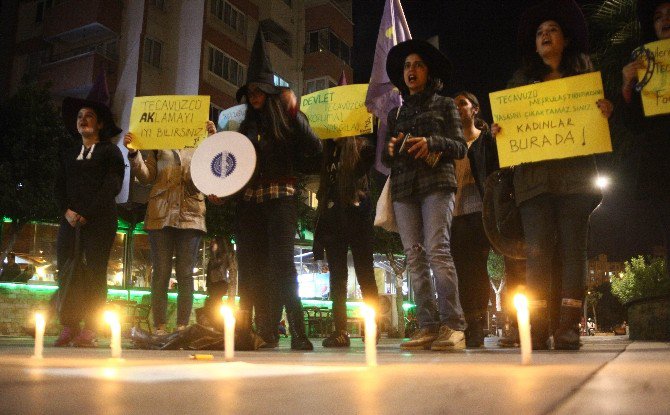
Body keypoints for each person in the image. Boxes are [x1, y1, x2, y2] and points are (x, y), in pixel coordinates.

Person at [492, 0, 613, 350]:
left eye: (552, 30)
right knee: (538, 254)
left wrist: (605, 111)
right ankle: (540, 326)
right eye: (540, 33)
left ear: (565, 39)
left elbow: (598, 129)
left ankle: (568, 327)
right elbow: (508, 134)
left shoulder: (584, 83)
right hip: (533, 183)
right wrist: (502, 129)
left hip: (575, 179)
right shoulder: (519, 87)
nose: (545, 35)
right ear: (534, 44)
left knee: (574, 251)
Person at [234, 29, 322, 350]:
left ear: (270, 91)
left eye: (260, 89)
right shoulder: (244, 126)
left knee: (282, 265)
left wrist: (294, 114)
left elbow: (315, 150)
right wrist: (221, 189)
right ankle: (262, 332)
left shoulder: (287, 119)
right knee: (252, 266)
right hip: (249, 204)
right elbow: (235, 168)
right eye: (251, 90)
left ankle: (298, 331)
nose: (254, 94)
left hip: (281, 199)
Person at [382, 39, 468, 351]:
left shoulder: (445, 104)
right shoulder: (397, 113)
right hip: (404, 189)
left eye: (417, 64)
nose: (411, 70)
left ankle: (453, 324)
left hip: (437, 185)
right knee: (414, 257)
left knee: (437, 251)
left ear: (428, 71)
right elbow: (386, 158)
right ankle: (427, 325)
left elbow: (459, 146)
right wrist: (392, 149)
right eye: (406, 66)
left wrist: (432, 142)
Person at [124, 120, 217, 336]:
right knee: (161, 273)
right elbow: (146, 176)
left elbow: (213, 168)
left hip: (190, 214)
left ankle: (182, 327)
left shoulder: (201, 143)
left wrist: (213, 139)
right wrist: (134, 153)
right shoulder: (159, 143)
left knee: (185, 273)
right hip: (161, 213)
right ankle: (160, 327)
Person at [54, 81, 125, 347]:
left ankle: (91, 328)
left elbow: (112, 185)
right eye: (80, 116)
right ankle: (69, 325)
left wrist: (87, 212)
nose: (83, 120)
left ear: (101, 123)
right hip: (70, 221)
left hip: (99, 221)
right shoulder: (68, 152)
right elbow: (58, 186)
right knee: (67, 270)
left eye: (89, 116)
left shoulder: (110, 152)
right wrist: (67, 211)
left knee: (95, 272)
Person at [313, 135, 380, 348]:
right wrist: (319, 233)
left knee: (365, 274)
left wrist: (357, 142)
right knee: (337, 278)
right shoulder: (328, 152)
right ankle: (340, 331)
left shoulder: (361, 148)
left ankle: (372, 327)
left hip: (358, 217)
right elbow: (323, 192)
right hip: (333, 219)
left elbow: (372, 160)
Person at [620, 0, 670, 277]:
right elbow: (633, 124)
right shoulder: (647, 67)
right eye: (658, 17)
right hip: (662, 167)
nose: (664, 20)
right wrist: (627, 84)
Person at [451, 91, 499, 348]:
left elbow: (495, 171)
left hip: (480, 212)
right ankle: (468, 322)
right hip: (455, 214)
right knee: (460, 269)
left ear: (475, 109)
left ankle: (478, 323)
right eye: (454, 105)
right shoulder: (450, 144)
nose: (457, 108)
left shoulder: (486, 140)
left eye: (462, 104)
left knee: (477, 268)